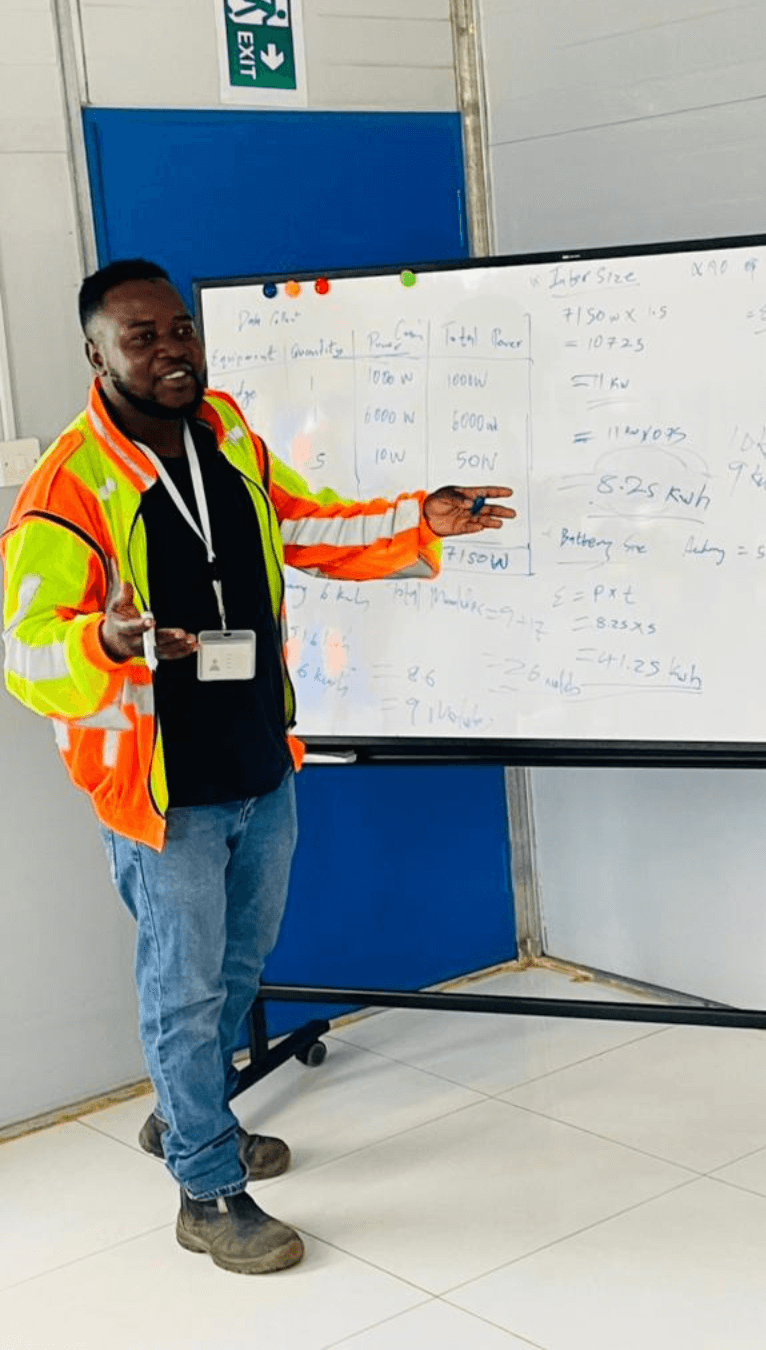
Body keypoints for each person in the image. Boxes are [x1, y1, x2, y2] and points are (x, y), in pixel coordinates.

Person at [1, 259, 515, 1275]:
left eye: (178, 329)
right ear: (97, 355)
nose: (171, 350)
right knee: (184, 992)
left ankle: (183, 1114)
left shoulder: (226, 431)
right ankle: (206, 1187)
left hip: (258, 760)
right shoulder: (68, 489)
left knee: (236, 970)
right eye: (142, 337)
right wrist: (102, 640)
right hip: (163, 791)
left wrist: (418, 520)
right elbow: (24, 650)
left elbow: (305, 522)